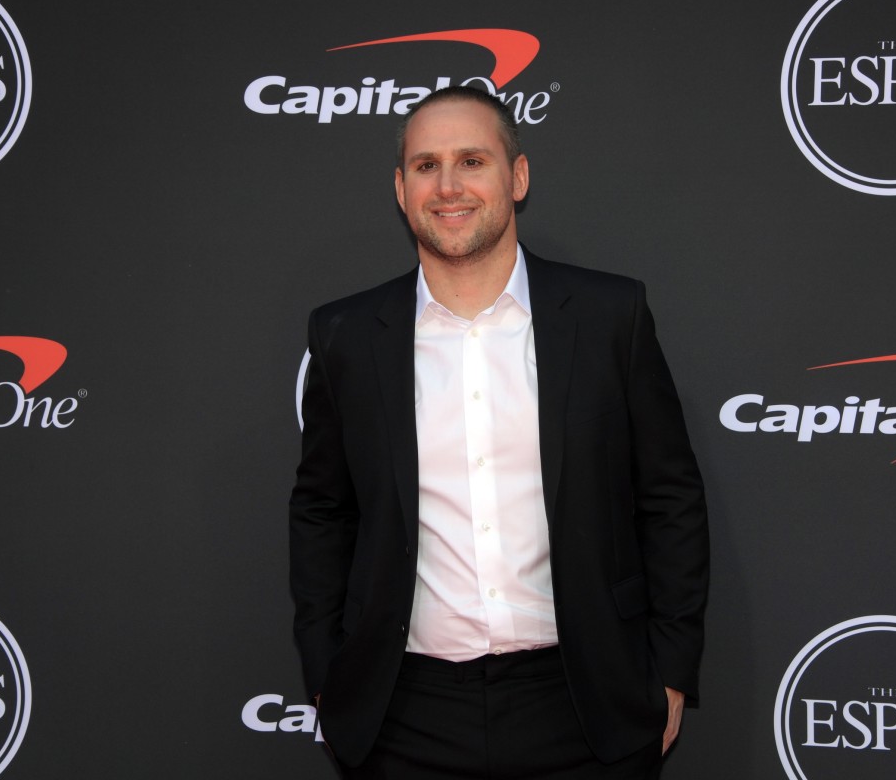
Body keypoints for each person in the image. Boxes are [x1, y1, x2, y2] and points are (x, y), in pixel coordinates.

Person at [289, 86, 709, 779]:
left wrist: (670, 665)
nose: (448, 186)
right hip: (402, 715)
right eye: (426, 166)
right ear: (400, 189)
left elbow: (670, 497)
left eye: (472, 161)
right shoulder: (346, 335)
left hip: (588, 707)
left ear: (517, 177)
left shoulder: (610, 315)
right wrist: (325, 669)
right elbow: (322, 511)